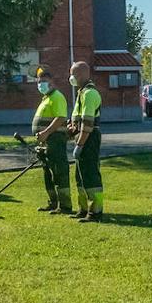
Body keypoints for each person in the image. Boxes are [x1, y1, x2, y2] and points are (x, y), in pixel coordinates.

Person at [31, 66, 72, 214]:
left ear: (52, 82)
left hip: (55, 140)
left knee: (59, 171)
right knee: (48, 172)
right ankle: (53, 203)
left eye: (44, 81)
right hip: (46, 141)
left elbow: (60, 118)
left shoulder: (57, 97)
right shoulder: (46, 98)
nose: (40, 84)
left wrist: (46, 133)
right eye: (39, 81)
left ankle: (65, 205)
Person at [67, 61, 104, 222]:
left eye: (73, 74)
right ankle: (83, 209)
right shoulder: (82, 92)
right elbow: (78, 120)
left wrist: (80, 145)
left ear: (81, 74)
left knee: (90, 175)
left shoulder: (89, 94)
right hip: (82, 137)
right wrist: (71, 127)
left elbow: (87, 124)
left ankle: (95, 211)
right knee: (80, 176)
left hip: (89, 138)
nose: (71, 78)